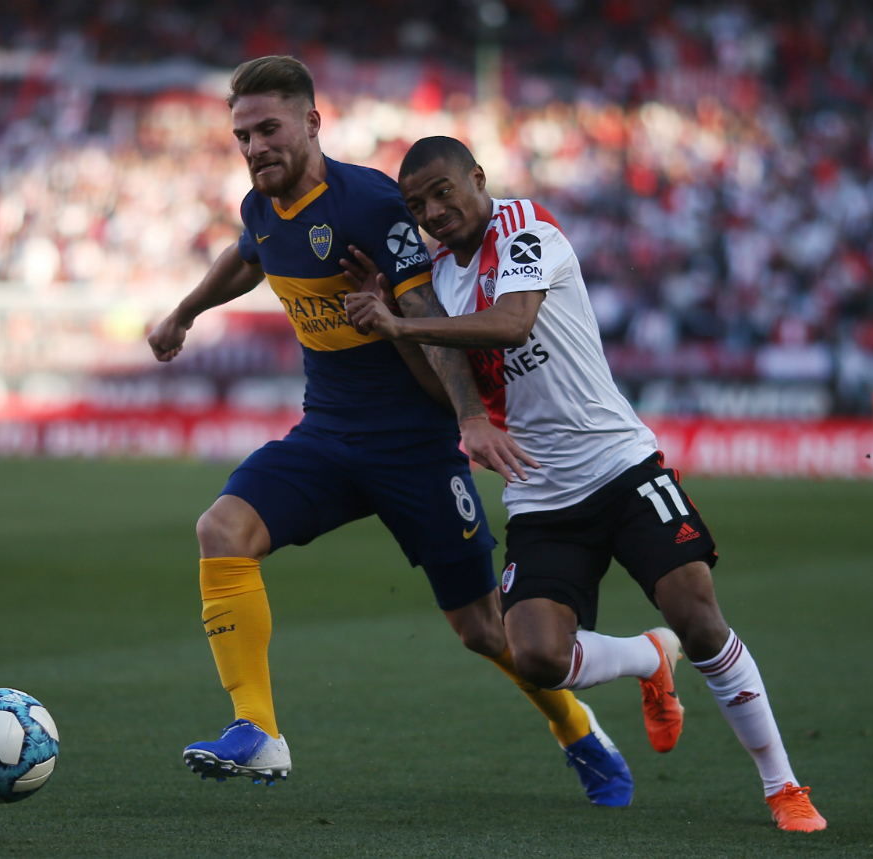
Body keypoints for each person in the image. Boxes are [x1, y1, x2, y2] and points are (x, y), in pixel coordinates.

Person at [147, 57, 666, 804]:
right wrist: (185, 312)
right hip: (326, 435)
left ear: (312, 123)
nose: (256, 146)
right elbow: (249, 254)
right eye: (242, 135)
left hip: (416, 451)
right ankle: (257, 728)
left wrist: (465, 417)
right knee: (222, 529)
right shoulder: (262, 207)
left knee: (486, 631)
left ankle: (576, 728)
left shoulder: (373, 206)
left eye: (269, 129)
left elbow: (427, 321)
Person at [343, 136, 827, 832]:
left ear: (477, 178)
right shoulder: (441, 278)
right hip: (540, 491)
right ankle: (646, 657)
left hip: (621, 467)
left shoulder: (527, 229)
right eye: (418, 205)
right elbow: (439, 376)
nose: (434, 212)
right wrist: (396, 331)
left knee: (697, 614)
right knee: (538, 655)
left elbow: (513, 325)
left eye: (444, 191)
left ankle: (783, 786)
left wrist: (402, 318)